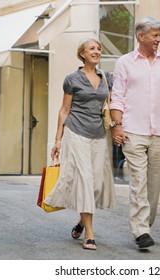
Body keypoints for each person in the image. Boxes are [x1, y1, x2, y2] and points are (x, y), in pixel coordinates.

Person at [110, 17, 160, 249]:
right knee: (139, 182)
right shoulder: (125, 62)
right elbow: (118, 96)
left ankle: (145, 222)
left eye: (159, 35)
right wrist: (117, 125)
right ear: (141, 36)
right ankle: (140, 230)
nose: (159, 39)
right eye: (155, 35)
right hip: (133, 131)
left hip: (158, 132)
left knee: (153, 185)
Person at [44, 37, 116, 250]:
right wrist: (58, 140)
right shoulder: (72, 79)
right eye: (92, 48)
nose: (97, 51)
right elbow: (64, 110)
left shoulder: (106, 78)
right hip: (76, 133)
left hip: (98, 134)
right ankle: (90, 234)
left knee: (95, 184)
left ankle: (81, 222)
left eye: (99, 48)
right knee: (84, 179)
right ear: (82, 54)